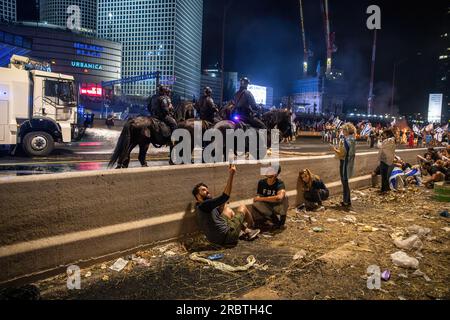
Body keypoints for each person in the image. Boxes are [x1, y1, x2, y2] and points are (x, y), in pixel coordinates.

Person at [193, 165, 260, 246]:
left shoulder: (199, 206)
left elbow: (219, 210)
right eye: (203, 190)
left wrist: (223, 203)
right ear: (197, 195)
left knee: (226, 209)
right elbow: (225, 196)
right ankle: (251, 229)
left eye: (207, 190)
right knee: (242, 207)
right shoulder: (205, 205)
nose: (207, 191)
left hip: (215, 240)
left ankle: (244, 231)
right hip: (227, 237)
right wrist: (231, 174)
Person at [332, 123, 356, 207]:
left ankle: (346, 201)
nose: (342, 131)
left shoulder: (347, 140)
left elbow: (342, 153)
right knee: (345, 183)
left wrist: (335, 149)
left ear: (347, 131)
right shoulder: (352, 139)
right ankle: (347, 200)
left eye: (343, 130)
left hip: (345, 163)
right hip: (348, 162)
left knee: (345, 183)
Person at [378, 128, 396, 193]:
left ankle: (383, 190)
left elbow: (380, 146)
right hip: (387, 159)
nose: (383, 136)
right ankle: (386, 188)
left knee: (384, 176)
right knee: (385, 175)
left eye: (384, 134)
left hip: (385, 159)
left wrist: (379, 140)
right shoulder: (392, 140)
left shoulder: (389, 140)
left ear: (387, 134)